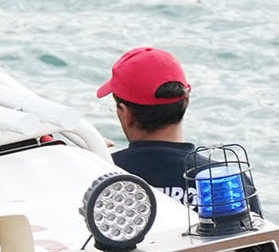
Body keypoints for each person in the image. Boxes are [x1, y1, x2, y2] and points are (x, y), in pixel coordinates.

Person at [96, 46, 254, 210]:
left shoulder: (103, 173)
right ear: (186, 101)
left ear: (126, 113)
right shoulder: (227, 183)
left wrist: (91, 155)